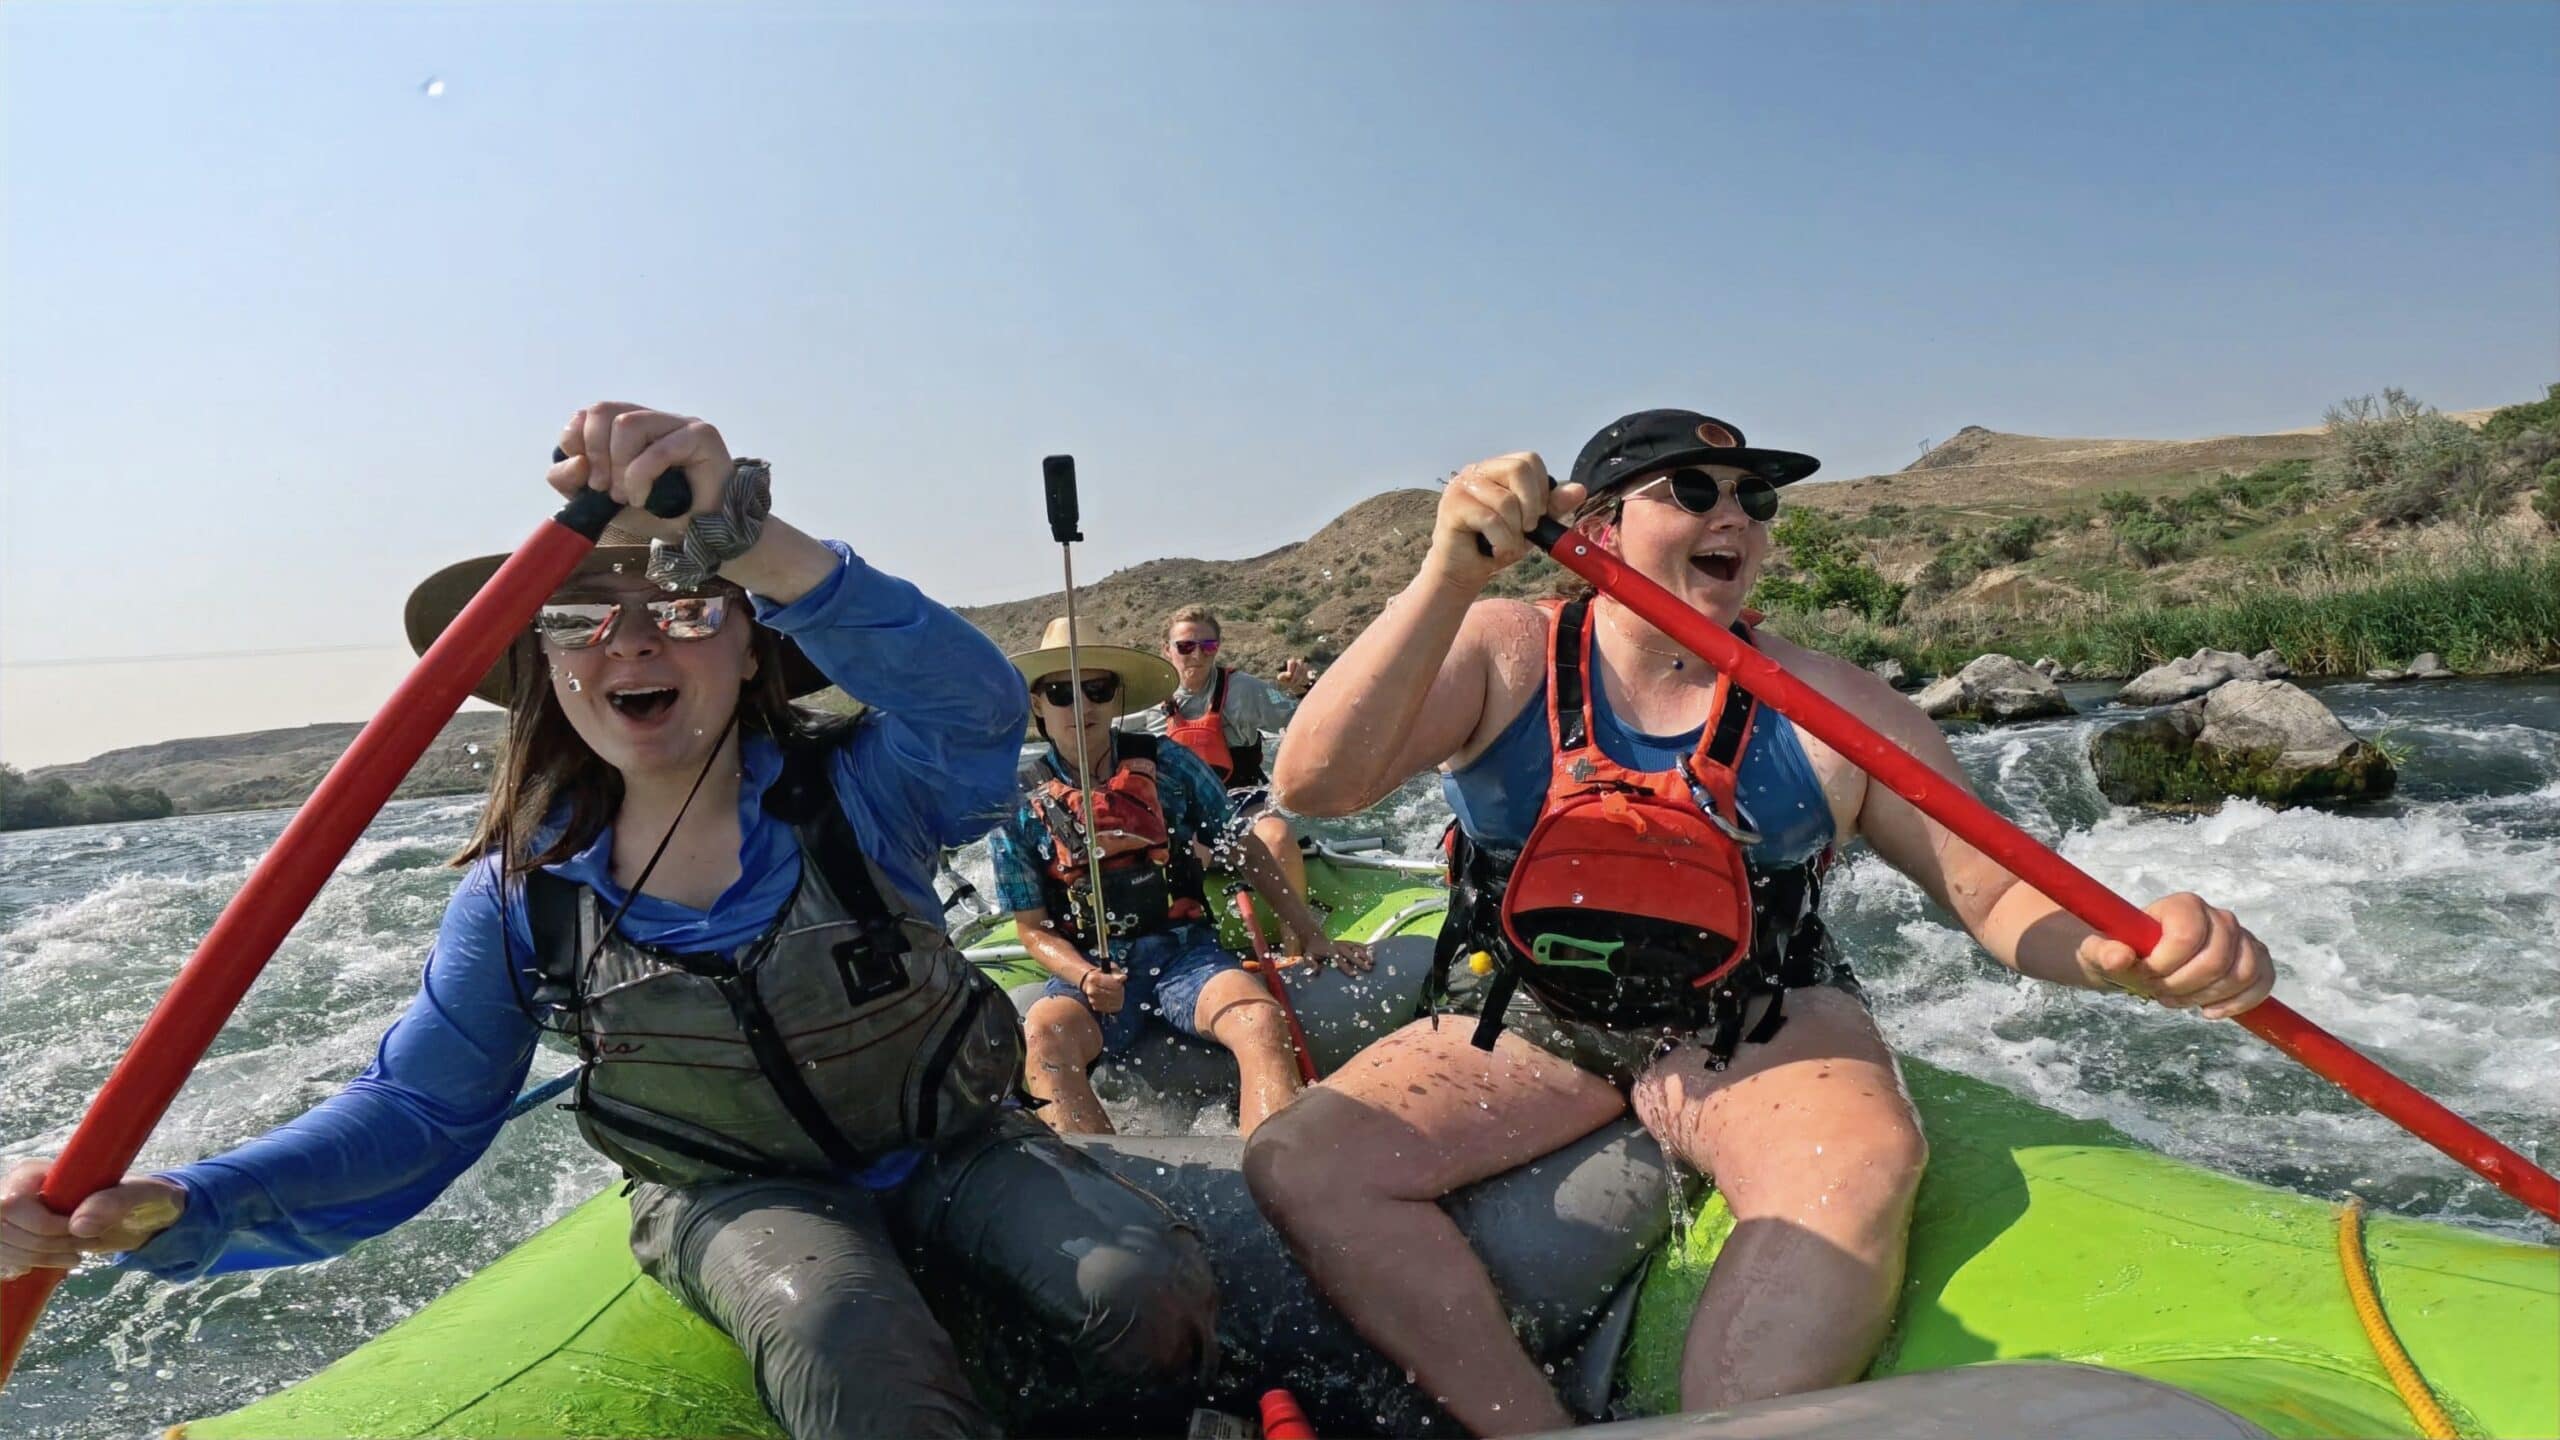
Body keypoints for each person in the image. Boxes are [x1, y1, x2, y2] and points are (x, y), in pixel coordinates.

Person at [0, 404, 1215, 1440]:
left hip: (958, 1144)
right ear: (545, 665)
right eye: (580, 612)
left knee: (1142, 1286)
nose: (629, 637)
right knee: (847, 1342)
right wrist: (186, 1201)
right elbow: (418, 1113)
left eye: (686, 601)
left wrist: (746, 534)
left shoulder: (870, 791)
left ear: (754, 649)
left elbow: (974, 703)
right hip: (732, 1197)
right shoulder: (520, 897)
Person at [1244, 410, 2278, 1436]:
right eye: (1690, 491)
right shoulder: (1501, 647)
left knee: (1860, 1167)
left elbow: (1998, 898)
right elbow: (1316, 784)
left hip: (1755, 1021)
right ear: (1596, 526)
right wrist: (1449, 575)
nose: (1731, 513)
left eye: (1754, 498)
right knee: (1303, 1161)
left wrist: (2119, 951)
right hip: (1530, 1014)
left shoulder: (1836, 708)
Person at [996, 617, 1368, 1138]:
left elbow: (1243, 847)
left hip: (1185, 955)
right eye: (1061, 692)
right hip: (1090, 968)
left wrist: (1311, 933)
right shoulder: (1017, 804)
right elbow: (1032, 926)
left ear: (1115, 696)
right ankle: (1111, 1196)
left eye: (1096, 689)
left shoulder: (1169, 763)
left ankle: (1275, 1180)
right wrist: (1083, 976)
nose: (1081, 706)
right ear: (1037, 704)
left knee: (1260, 1020)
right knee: (1043, 1036)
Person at [1124, 605, 1317, 906]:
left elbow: (1310, 723)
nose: (1197, 656)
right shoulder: (1147, 702)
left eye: (1208, 646)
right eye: (1186, 646)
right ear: (1167, 650)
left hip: (1240, 799)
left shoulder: (1245, 691)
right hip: (1179, 812)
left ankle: (1296, 947)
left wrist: (1303, 690)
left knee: (1277, 836)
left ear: (1217, 649)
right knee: (1183, 848)